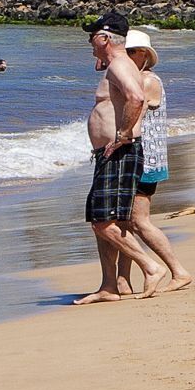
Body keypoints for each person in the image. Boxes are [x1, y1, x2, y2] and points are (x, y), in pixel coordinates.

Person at [77, 17, 168, 303]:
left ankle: (150, 267)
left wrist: (123, 134)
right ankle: (109, 286)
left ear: (104, 38)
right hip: (110, 152)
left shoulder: (119, 64)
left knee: (102, 222)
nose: (89, 42)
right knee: (104, 220)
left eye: (92, 36)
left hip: (119, 151)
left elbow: (136, 97)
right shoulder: (115, 64)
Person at [122, 31, 195, 283]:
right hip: (141, 157)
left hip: (146, 159)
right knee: (127, 221)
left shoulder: (146, 81)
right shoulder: (137, 78)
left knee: (138, 220)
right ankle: (123, 280)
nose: (126, 58)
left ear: (144, 54)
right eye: (124, 52)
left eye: (131, 52)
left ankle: (177, 271)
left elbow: (133, 118)